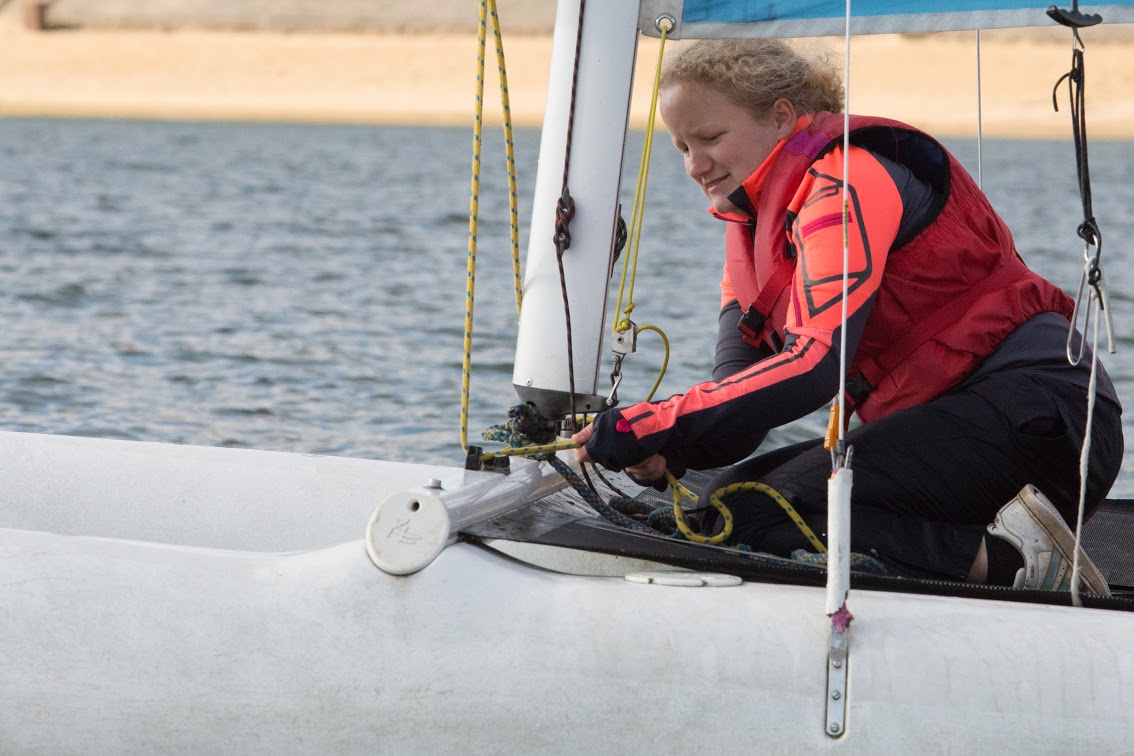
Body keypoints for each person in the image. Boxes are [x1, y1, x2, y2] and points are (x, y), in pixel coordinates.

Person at [572, 39, 1123, 595]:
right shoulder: (753, 232)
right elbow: (737, 393)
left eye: (711, 138)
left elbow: (816, 363)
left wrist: (660, 420)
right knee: (727, 508)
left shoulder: (844, 184)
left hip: (1048, 421)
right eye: (681, 147)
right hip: (963, 430)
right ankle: (993, 549)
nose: (695, 166)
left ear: (782, 116)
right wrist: (672, 449)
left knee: (764, 516)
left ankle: (1018, 565)